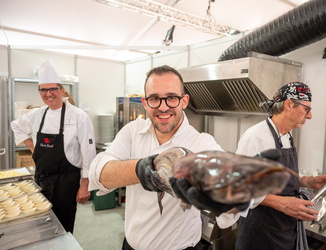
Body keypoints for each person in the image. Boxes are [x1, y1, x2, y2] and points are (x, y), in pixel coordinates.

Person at [88, 65, 227, 250]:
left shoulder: (201, 143)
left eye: (171, 98)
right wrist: (141, 169)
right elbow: (98, 173)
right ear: (145, 103)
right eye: (154, 98)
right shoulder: (133, 132)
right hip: (129, 246)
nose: (163, 107)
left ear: (184, 101)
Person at [232, 82, 326, 250]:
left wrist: (308, 181)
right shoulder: (256, 138)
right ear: (289, 104)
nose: (309, 116)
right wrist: (281, 203)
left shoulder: (286, 136)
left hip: (284, 230)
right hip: (260, 233)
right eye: (306, 109)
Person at [11, 59, 96, 233]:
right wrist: (34, 149)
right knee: (41, 224)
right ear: (39, 92)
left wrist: (85, 185)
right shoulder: (37, 114)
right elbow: (16, 125)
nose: (48, 94)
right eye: (43, 89)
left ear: (62, 90)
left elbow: (88, 153)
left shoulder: (79, 116)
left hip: (66, 183)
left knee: (62, 229)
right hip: (41, 179)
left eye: (53, 89)